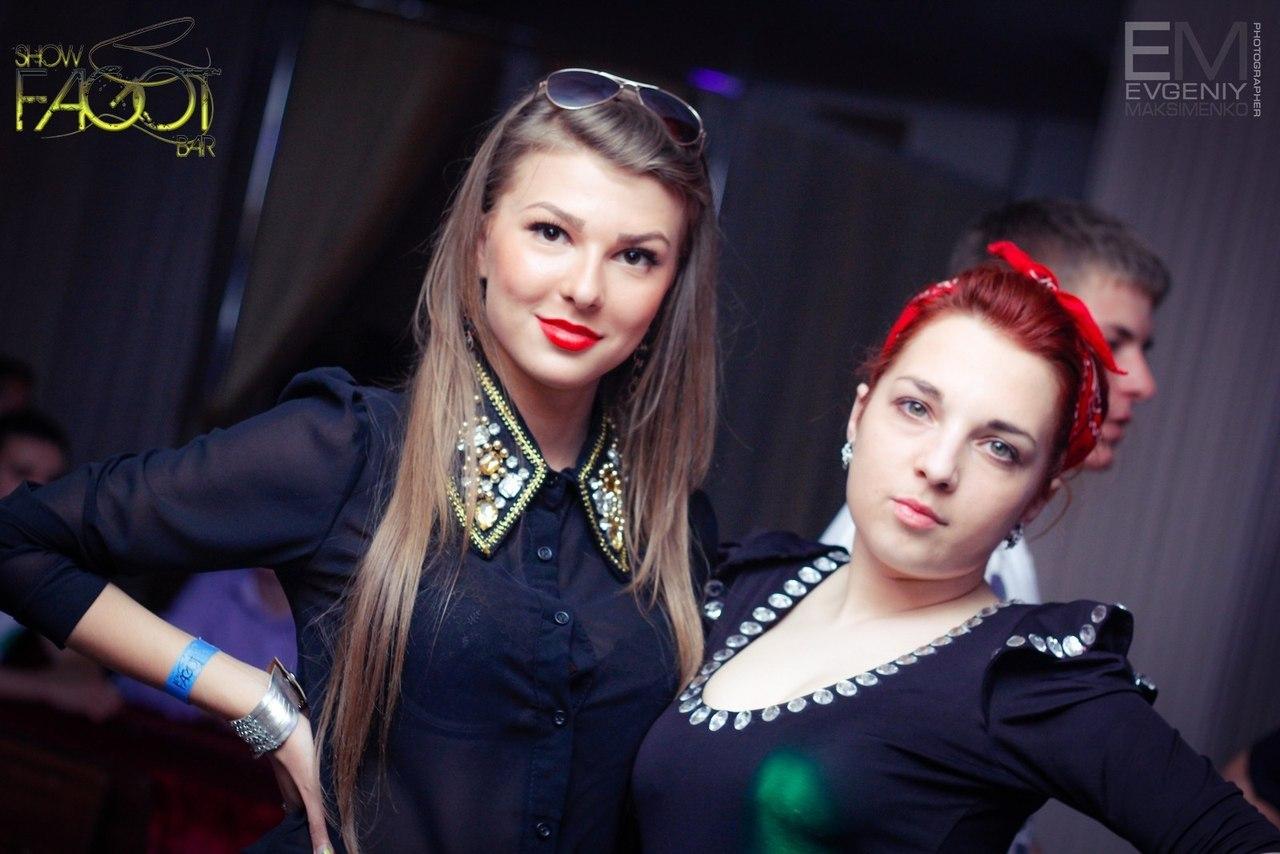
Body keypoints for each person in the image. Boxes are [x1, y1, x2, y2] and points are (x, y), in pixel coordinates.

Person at [0, 68, 720, 853]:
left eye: (635, 256)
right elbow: (19, 540)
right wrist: (253, 702)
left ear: (669, 290)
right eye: (551, 232)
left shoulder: (674, 531)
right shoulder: (349, 449)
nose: (585, 287)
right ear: (481, 241)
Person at [632, 243, 1280, 852]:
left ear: (1036, 497)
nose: (939, 466)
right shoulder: (751, 579)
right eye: (917, 408)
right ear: (860, 415)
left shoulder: (1022, 679)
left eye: (999, 448)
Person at [818, 198, 1169, 606]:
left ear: (1039, 498)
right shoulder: (896, 540)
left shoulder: (980, 566)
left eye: (1001, 448)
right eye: (1110, 344)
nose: (1143, 383)